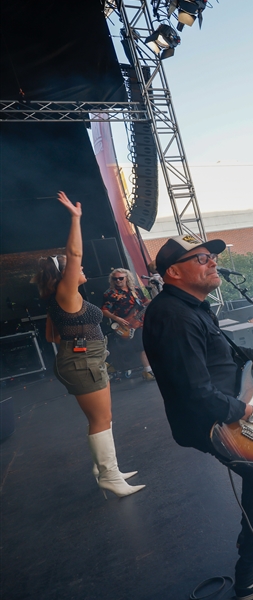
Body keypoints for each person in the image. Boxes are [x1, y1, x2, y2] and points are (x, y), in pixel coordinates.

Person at [142, 237, 253, 600]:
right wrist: (249, 411)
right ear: (175, 272)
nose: (212, 263)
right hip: (210, 420)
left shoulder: (192, 306)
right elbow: (195, 393)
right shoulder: (175, 317)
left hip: (222, 406)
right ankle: (250, 574)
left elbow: (225, 354)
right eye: (201, 258)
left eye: (212, 257)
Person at [32, 192, 144, 498]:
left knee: (103, 418)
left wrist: (78, 336)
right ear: (63, 274)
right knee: (100, 419)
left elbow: (51, 337)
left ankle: (107, 469)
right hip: (82, 361)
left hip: (84, 358)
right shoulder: (66, 293)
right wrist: (76, 218)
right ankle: (108, 476)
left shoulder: (66, 299)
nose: (81, 269)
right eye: (73, 267)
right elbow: (75, 254)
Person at [101, 268, 153, 380]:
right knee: (141, 346)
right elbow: (104, 310)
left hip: (142, 321)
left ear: (127, 278)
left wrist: (154, 298)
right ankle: (148, 370)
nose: (118, 281)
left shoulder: (135, 289)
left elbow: (144, 302)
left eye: (121, 278)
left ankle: (151, 369)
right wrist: (117, 319)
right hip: (127, 325)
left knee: (150, 344)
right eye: (115, 279)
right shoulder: (110, 294)